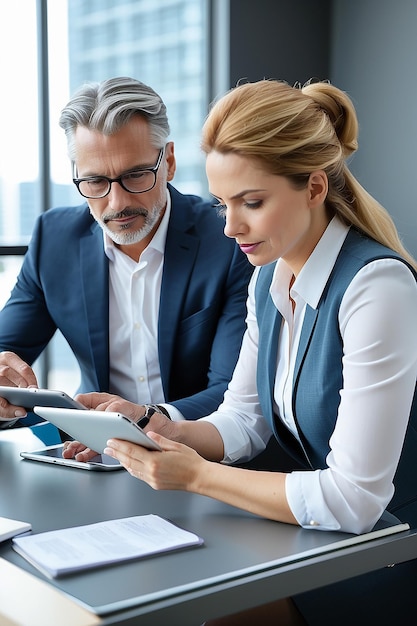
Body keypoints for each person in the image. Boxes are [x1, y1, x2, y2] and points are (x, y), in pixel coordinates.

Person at [73, 79, 417, 624]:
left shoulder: (377, 288)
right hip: (317, 538)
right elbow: (244, 418)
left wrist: (197, 475)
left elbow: (354, 500)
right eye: (221, 204)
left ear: (314, 187)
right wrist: (162, 430)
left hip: (391, 549)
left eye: (252, 202)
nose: (231, 227)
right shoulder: (270, 277)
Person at [0, 76, 253, 429]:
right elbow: (7, 352)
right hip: (91, 451)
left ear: (169, 162)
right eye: (95, 181)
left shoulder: (229, 239)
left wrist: (151, 419)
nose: (117, 203)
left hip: (198, 449)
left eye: (135, 176)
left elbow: (234, 393)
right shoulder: (53, 239)